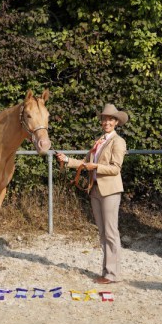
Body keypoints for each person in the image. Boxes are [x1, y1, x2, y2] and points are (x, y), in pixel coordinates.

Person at [56, 104, 128, 284]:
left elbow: (115, 169)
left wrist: (95, 166)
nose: (106, 122)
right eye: (104, 119)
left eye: (110, 119)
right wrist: (67, 160)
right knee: (103, 233)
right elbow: (85, 162)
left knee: (111, 233)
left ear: (116, 122)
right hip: (95, 189)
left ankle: (112, 274)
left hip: (110, 191)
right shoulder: (99, 141)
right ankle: (107, 272)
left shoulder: (118, 141)